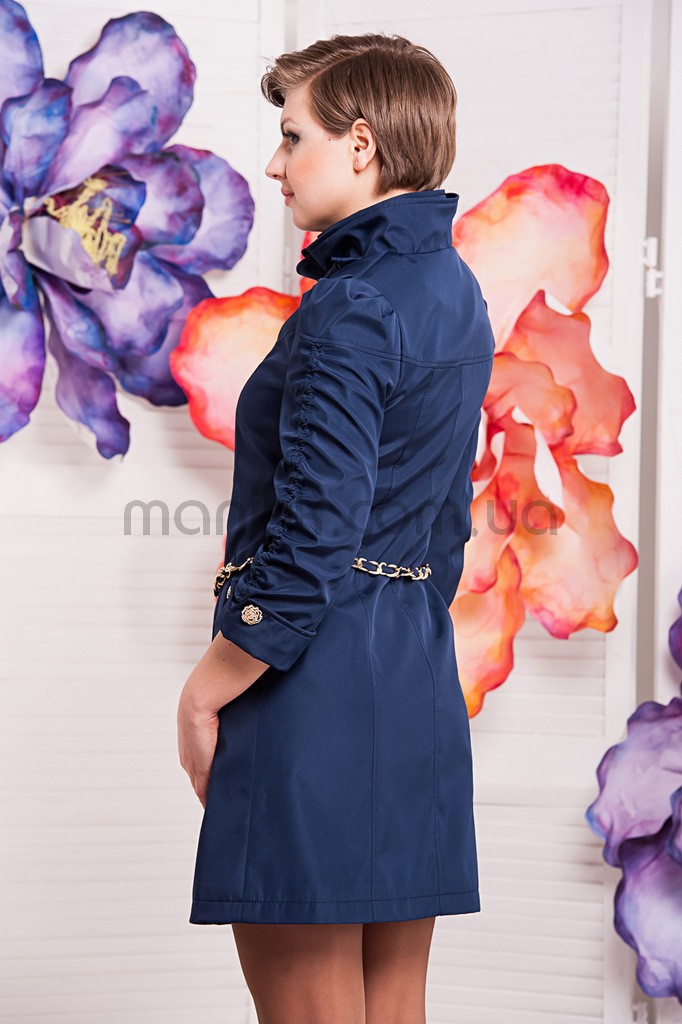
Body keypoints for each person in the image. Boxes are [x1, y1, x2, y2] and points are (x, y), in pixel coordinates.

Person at [177, 31, 495, 1024]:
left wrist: (205, 689)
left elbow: (313, 541)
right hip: (413, 681)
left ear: (360, 145)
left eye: (292, 136)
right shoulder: (454, 291)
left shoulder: (350, 304)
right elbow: (442, 531)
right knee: (393, 1009)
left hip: (311, 694)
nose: (276, 164)